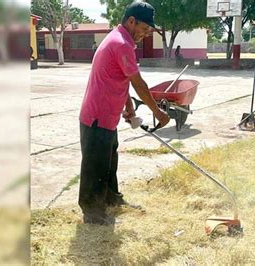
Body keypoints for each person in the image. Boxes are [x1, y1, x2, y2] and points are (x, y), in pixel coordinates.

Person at [78, 1, 170, 225]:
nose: (146, 34)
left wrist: (129, 108)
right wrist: (158, 113)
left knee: (109, 160)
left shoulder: (119, 39)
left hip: (107, 115)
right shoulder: (121, 44)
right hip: (97, 116)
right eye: (145, 29)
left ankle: (111, 199)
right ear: (131, 21)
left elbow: (121, 79)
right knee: (96, 164)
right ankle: (92, 212)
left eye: (149, 31)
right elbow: (139, 83)